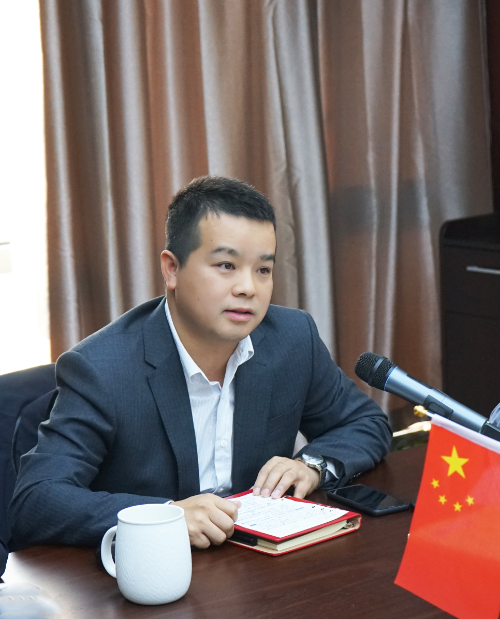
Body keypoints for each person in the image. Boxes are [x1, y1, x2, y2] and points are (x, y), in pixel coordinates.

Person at [9, 176, 392, 550]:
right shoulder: (102, 369)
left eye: (263, 270)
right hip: (148, 574)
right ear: (171, 269)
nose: (248, 288)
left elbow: (365, 422)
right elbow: (36, 499)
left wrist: (311, 465)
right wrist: (165, 515)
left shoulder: (291, 339)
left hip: (259, 567)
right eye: (226, 265)